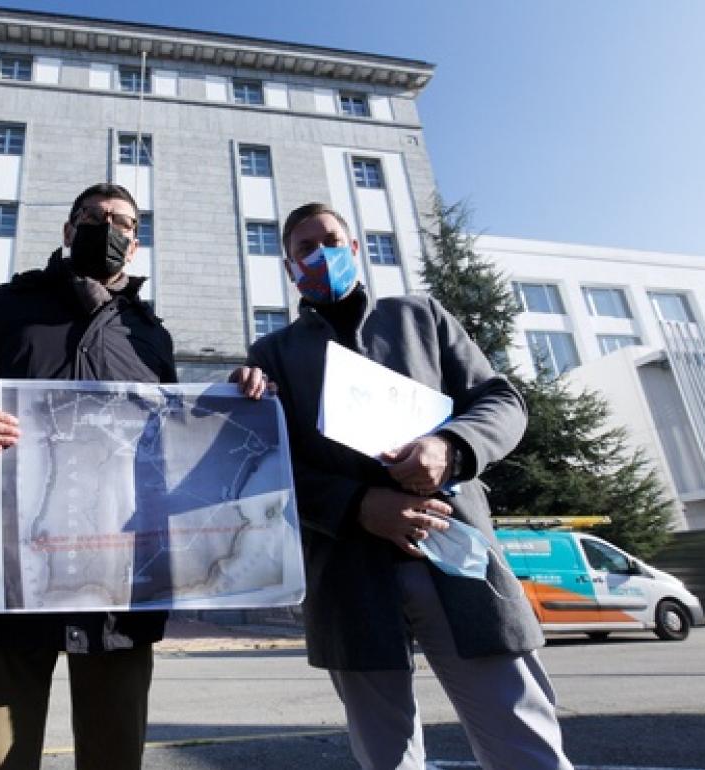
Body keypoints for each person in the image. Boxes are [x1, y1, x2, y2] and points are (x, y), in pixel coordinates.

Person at [234, 202, 573, 770]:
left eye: (332, 240)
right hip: (350, 577)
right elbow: (269, 464)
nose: (321, 255)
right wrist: (360, 506)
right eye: (304, 249)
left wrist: (452, 448)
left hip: (457, 558)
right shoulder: (274, 355)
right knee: (387, 755)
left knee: (522, 741)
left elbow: (502, 401)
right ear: (289, 268)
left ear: (356, 248)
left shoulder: (422, 317)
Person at [0, 183, 176, 770]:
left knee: (115, 758)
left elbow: (171, 448)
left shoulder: (152, 335)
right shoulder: (8, 307)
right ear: (67, 229)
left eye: (124, 222)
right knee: (1, 759)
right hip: (5, 579)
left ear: (136, 243)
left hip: (117, 588)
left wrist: (243, 401)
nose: (110, 228)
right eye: (94, 217)